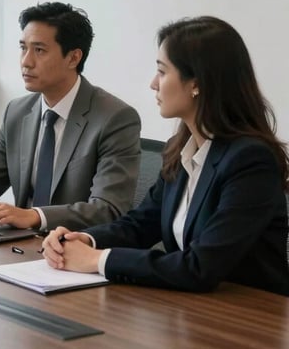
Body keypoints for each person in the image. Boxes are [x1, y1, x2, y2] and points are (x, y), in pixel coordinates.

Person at [42, 16, 289, 295]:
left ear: (197, 83)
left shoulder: (251, 162)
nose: (153, 83)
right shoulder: (181, 149)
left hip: (251, 319)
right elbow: (140, 225)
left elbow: (201, 267)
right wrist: (82, 240)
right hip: (192, 310)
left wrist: (98, 260)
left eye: (162, 71)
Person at [0, 1, 141, 232]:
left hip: (75, 250)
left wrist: (34, 216)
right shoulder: (18, 111)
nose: (26, 61)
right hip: (18, 246)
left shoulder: (115, 118)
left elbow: (108, 209)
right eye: (23, 48)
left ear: (73, 58)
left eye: (39, 50)